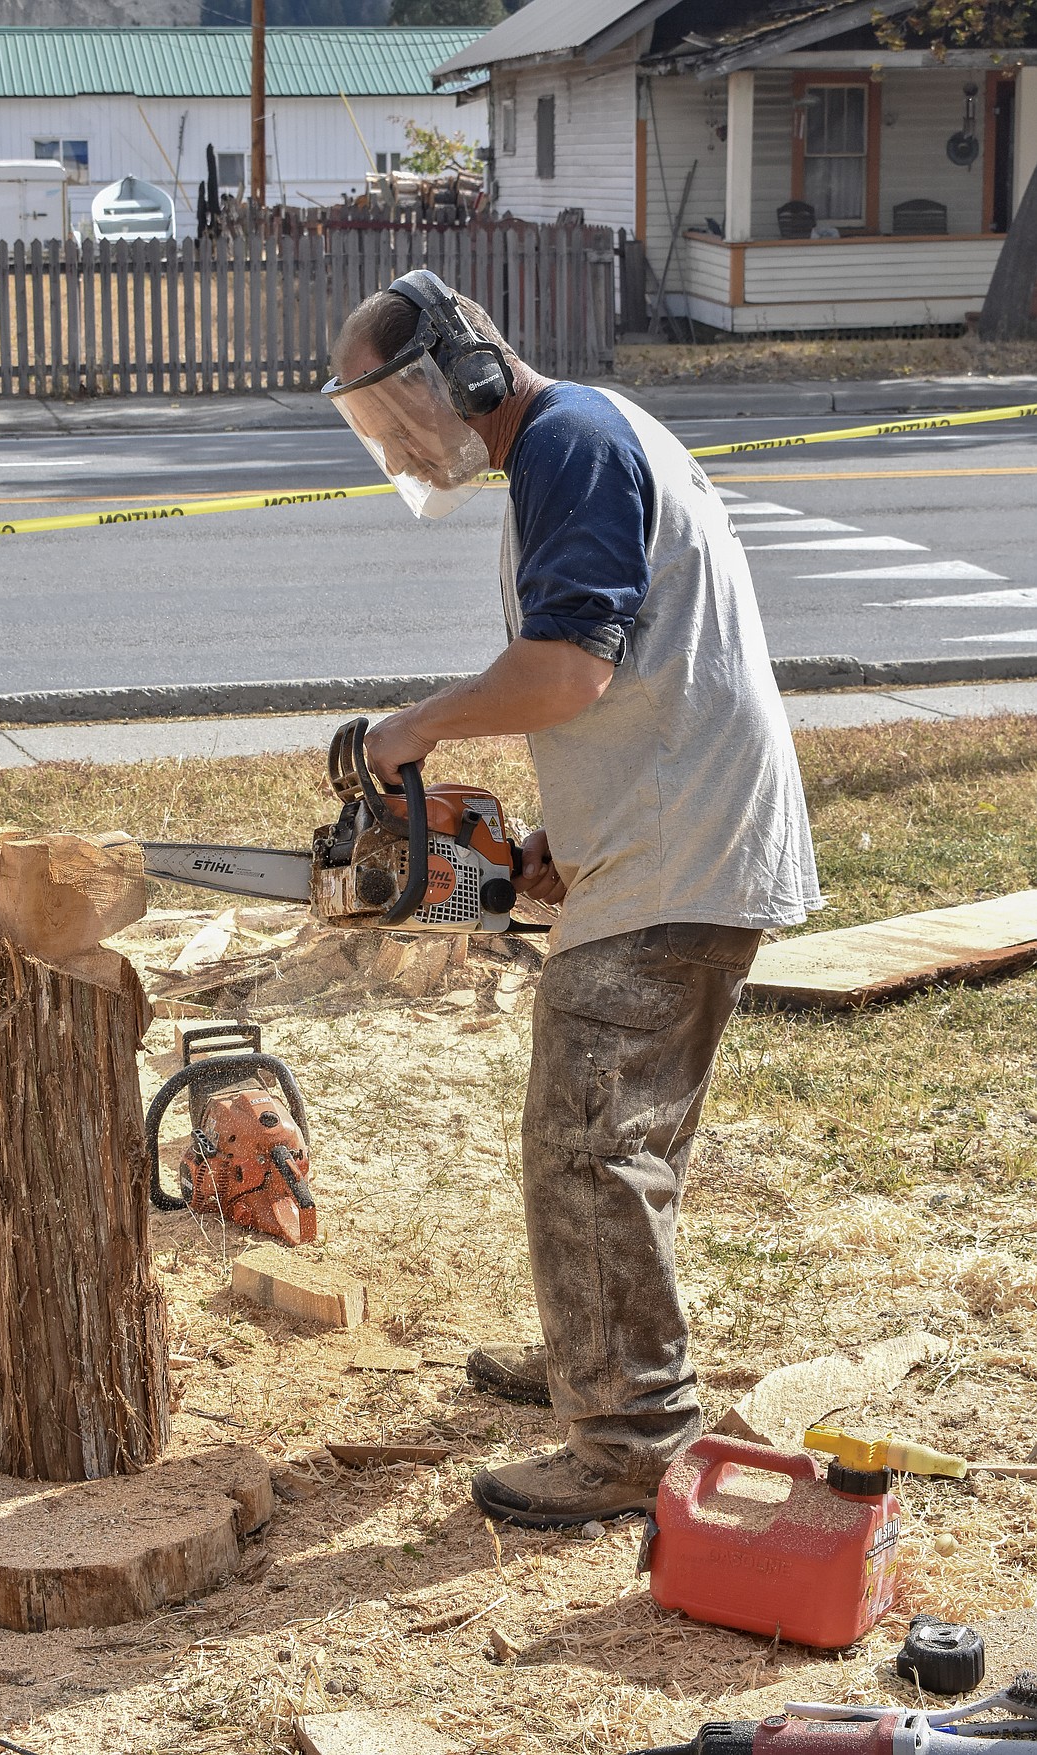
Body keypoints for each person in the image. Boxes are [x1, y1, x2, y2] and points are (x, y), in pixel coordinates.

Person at [322, 270, 821, 1529]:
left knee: (591, 1149)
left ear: (469, 373)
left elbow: (567, 668)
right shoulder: (574, 445)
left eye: (402, 411)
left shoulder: (571, 444)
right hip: (666, 837)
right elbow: (641, 666)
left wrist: (409, 734)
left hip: (681, 857)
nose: (398, 441)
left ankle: (632, 1442)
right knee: (614, 1144)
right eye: (374, 426)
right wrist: (557, 834)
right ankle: (597, 1352)